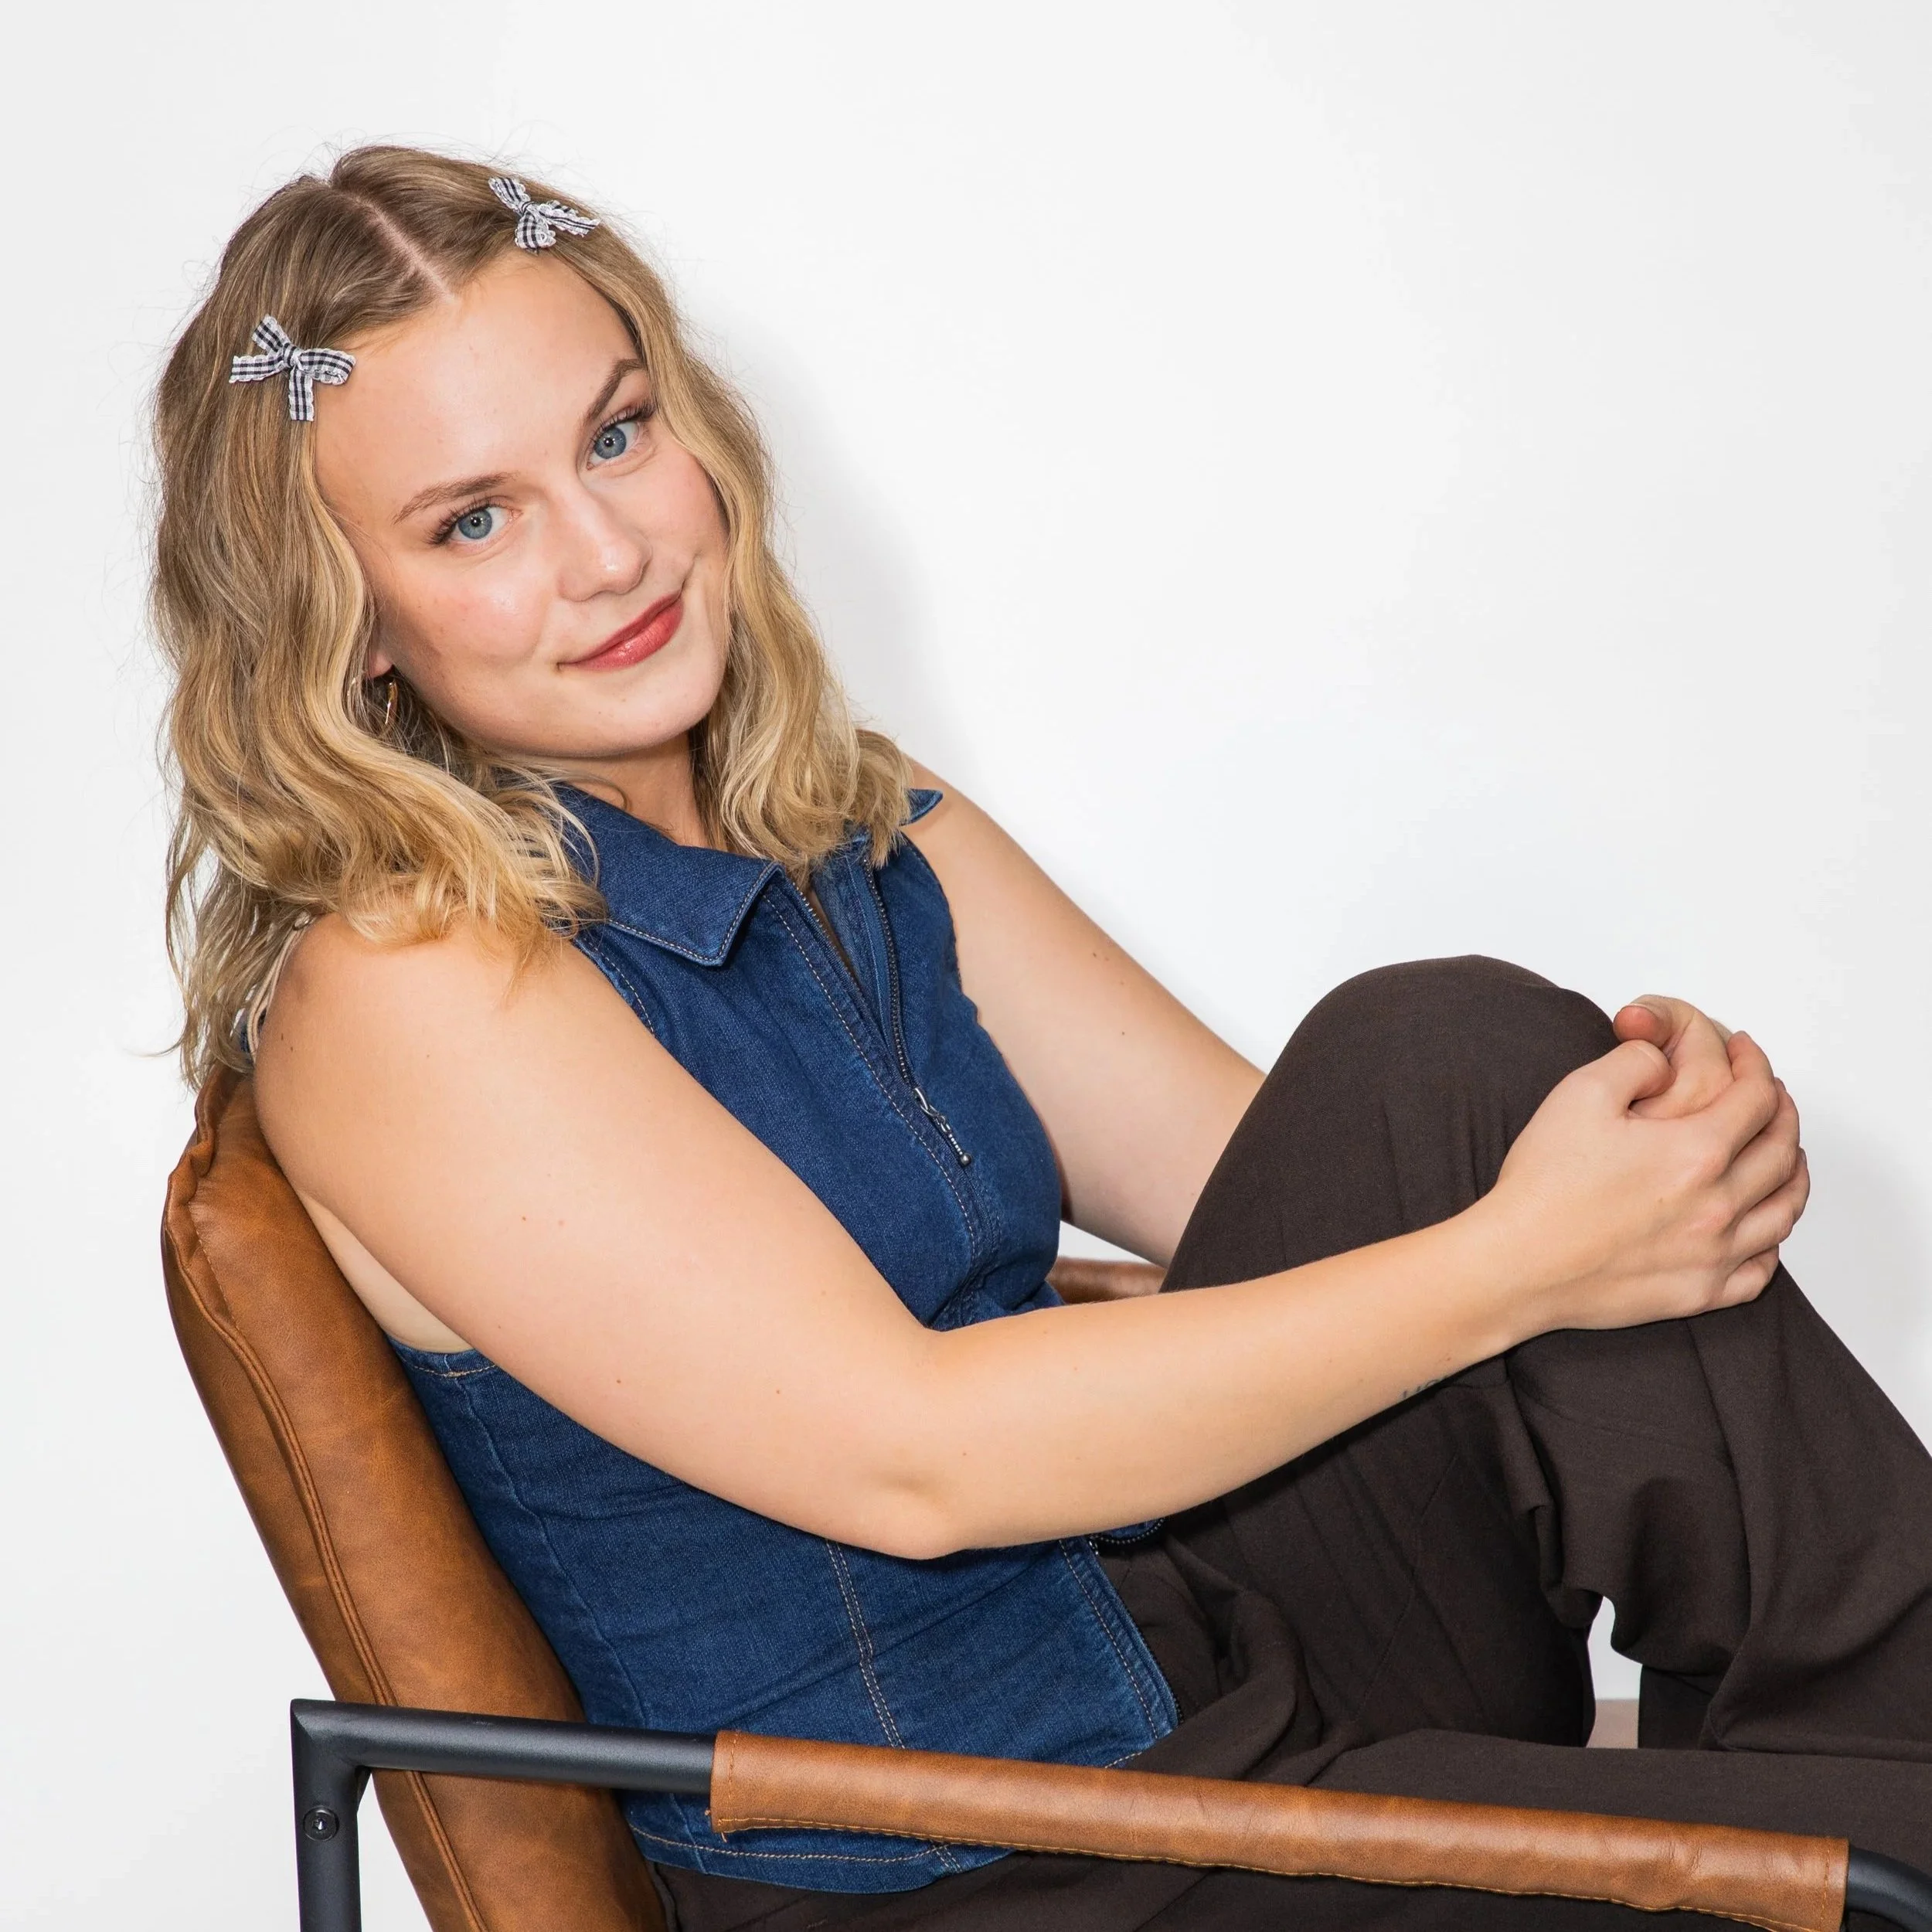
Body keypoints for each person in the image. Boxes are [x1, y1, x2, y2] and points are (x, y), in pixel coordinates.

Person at [156, 146, 1932, 1930]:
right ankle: (1853, 1815)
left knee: (1446, 1058)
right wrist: (1528, 1257)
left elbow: (1304, 1196)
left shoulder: (858, 825)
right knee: (1874, 1853)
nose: (608, 552)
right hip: (978, 1852)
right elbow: (913, 1457)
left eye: (615, 435)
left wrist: (1626, 1175)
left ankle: (1863, 1765)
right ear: (347, 623)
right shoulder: (409, 980)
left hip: (1197, 1668)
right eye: (473, 521)